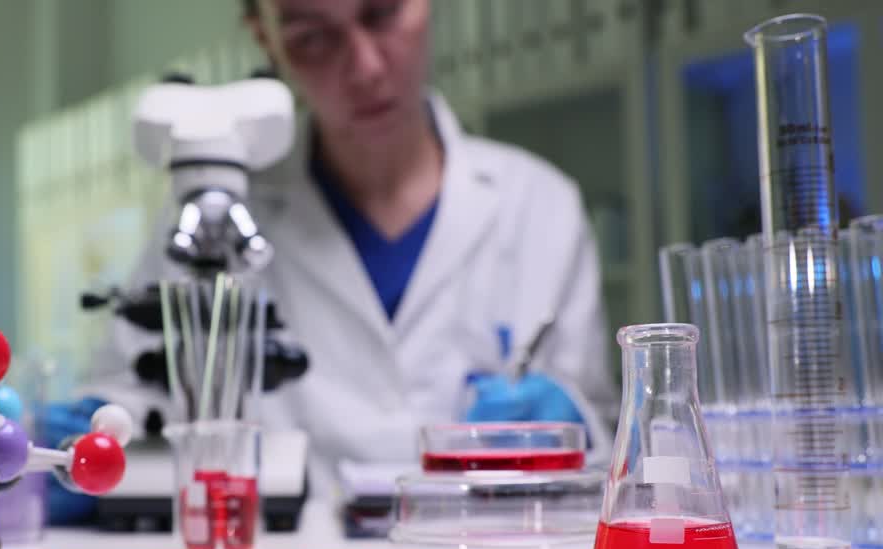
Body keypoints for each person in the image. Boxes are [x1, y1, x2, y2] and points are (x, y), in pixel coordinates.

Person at [42, 0, 617, 522]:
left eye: (383, 13)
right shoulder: (216, 212)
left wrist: (571, 421)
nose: (365, 67)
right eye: (313, 37)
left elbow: (609, 432)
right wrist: (93, 432)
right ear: (264, 37)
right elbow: (137, 392)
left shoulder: (539, 206)